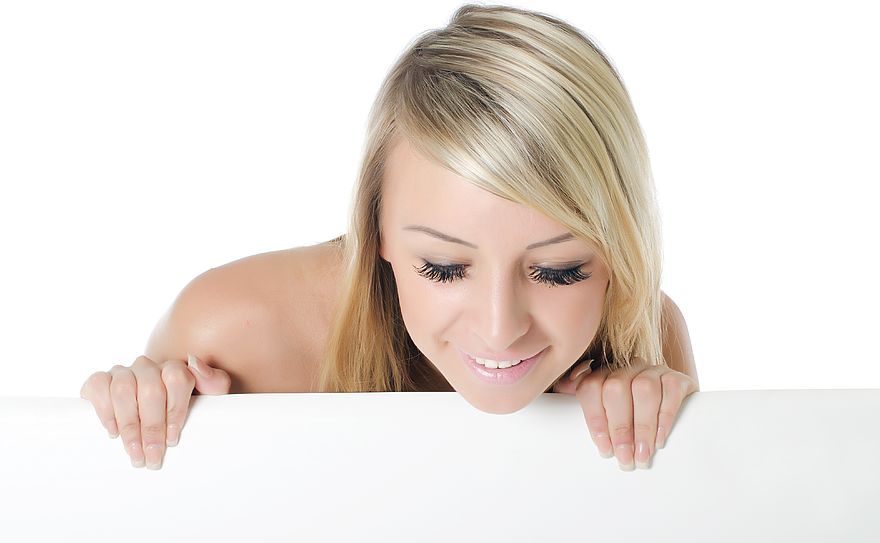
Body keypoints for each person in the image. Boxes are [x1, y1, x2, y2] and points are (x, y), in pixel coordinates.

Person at [80, 3, 699, 474]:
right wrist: (138, 412)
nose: (500, 327)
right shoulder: (234, 332)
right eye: (443, 266)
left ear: (621, 251)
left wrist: (654, 446)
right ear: (373, 230)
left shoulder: (640, 332)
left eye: (560, 271)